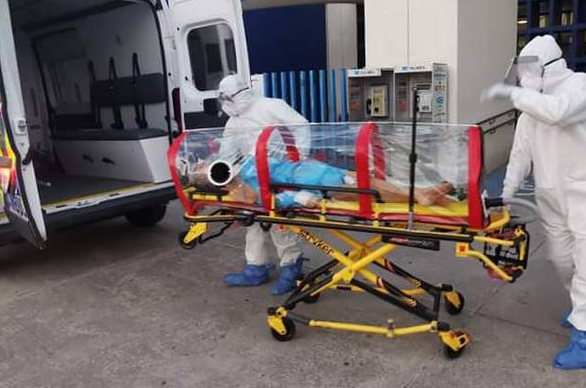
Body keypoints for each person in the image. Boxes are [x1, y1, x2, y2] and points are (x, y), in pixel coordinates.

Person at [482, 35, 586, 370]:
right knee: (562, 259)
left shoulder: (580, 86)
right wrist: (504, 196)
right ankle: (582, 307)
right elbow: (519, 157)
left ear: (547, 68)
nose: (522, 79)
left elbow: (558, 112)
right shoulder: (531, 110)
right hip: (553, 196)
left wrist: (512, 94)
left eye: (526, 72)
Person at [215, 74, 309, 296]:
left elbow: (301, 127)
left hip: (280, 175)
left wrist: (297, 160)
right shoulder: (233, 121)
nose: (227, 103)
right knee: (253, 223)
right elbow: (227, 152)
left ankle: (292, 268)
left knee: (280, 224)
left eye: (229, 97)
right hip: (251, 179)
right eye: (223, 99)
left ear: (241, 92)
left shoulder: (271, 106)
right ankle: (256, 267)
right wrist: (221, 171)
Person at [188, 155, 455, 208]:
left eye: (200, 162)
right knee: (371, 190)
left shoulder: (239, 161)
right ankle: (423, 195)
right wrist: (299, 198)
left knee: (371, 183)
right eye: (200, 167)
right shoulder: (237, 185)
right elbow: (262, 200)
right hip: (319, 184)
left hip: (316, 171)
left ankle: (423, 194)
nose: (202, 161)